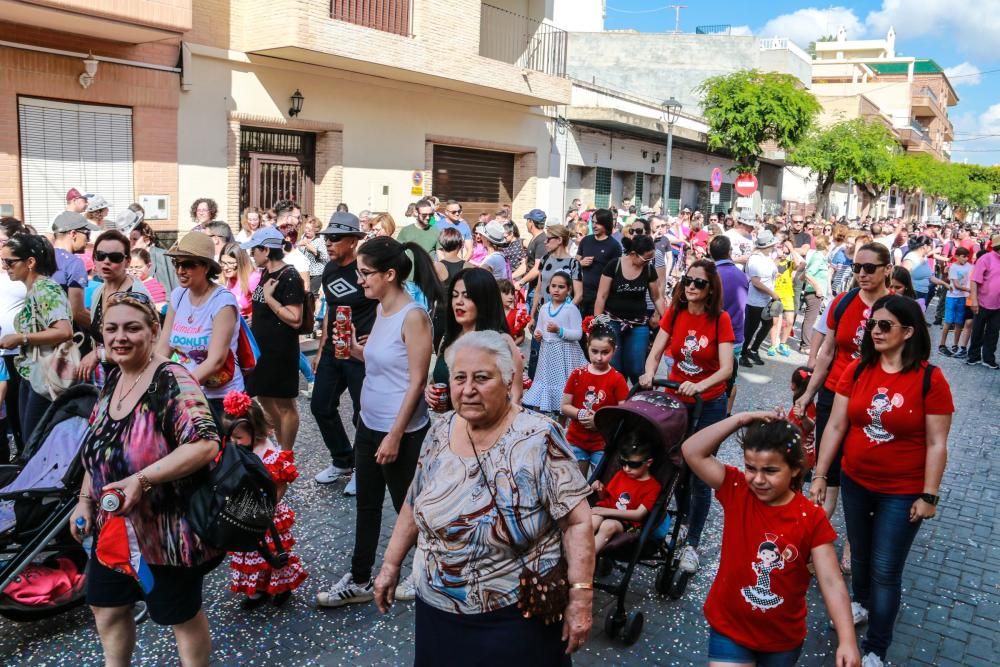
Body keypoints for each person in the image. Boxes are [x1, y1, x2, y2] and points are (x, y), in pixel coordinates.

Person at [372, 331, 594, 664]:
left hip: (514, 614)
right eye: (460, 378)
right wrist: (390, 565)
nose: (468, 389)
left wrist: (581, 598)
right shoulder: (441, 430)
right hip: (437, 611)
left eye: (482, 378)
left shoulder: (539, 437)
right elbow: (414, 499)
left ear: (508, 381)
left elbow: (577, 522)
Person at [68, 291, 221, 665]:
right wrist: (84, 501)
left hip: (166, 531)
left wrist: (142, 480)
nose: (120, 337)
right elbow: (99, 449)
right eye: (111, 328)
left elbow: (205, 444)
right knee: (107, 607)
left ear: (153, 331)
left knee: (179, 617)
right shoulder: (114, 379)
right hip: (114, 530)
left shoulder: (171, 380)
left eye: (132, 328)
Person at [811, 295, 952, 667]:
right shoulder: (857, 369)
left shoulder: (929, 379)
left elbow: (938, 442)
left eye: (885, 325)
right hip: (857, 481)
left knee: (886, 569)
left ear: (908, 331)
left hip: (902, 491)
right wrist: (821, 473)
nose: (875, 330)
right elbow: (837, 425)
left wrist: (929, 495)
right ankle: (859, 603)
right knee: (858, 554)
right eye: (874, 324)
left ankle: (876, 647)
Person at [317, 236, 439, 607]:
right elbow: (387, 365)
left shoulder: (413, 316)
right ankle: (359, 578)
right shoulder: (381, 311)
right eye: (359, 272)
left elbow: (418, 381)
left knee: (410, 507)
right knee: (367, 505)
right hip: (369, 425)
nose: (359, 281)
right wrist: (357, 350)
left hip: (400, 431)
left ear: (390, 274)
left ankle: (428, 572)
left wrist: (396, 435)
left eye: (366, 273)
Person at [682, 411, 860, 667]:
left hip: (782, 639)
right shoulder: (736, 489)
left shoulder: (811, 517)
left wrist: (847, 639)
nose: (758, 479)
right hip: (730, 627)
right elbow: (692, 451)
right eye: (750, 468)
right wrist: (743, 419)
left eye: (770, 470)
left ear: (796, 469)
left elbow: (831, 581)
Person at [793, 243, 893, 571]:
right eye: (857, 267)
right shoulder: (842, 301)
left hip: (872, 404)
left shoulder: (898, 308)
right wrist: (808, 393)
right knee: (827, 470)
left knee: (860, 475)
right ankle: (813, 542)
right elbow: (826, 353)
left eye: (870, 268)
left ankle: (853, 544)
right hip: (834, 394)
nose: (862, 274)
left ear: (886, 269)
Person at [640, 258, 734, 575]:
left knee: (698, 474)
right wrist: (649, 372)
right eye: (688, 281)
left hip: (709, 403)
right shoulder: (676, 312)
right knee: (676, 465)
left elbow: (726, 368)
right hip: (678, 399)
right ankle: (680, 522)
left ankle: (692, 543)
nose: (691, 287)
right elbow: (656, 350)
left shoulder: (720, 320)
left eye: (699, 283)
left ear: (710, 290)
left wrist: (700, 385)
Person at [223, 391, 307, 608]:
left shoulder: (269, 454)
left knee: (272, 551)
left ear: (255, 430)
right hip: (244, 511)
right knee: (249, 552)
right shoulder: (237, 449)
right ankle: (258, 589)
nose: (233, 441)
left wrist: (266, 507)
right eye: (231, 436)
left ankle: (282, 586)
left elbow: (280, 486)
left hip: (266, 514)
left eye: (238, 437)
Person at [311, 212, 376, 488]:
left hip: (360, 351)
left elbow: (386, 302)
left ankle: (364, 469)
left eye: (335, 238)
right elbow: (331, 310)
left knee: (362, 412)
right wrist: (320, 347)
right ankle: (342, 460)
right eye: (327, 238)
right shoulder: (328, 270)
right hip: (333, 349)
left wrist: (376, 336)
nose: (328, 243)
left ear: (353, 241)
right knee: (320, 405)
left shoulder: (366, 269)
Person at [156, 232, 244, 424]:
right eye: (177, 264)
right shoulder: (178, 295)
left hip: (221, 397)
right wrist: (151, 378)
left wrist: (179, 388)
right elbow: (163, 347)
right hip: (187, 393)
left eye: (188, 264)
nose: (180, 270)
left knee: (223, 452)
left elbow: (216, 360)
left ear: (205, 267)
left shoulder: (222, 302)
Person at [0, 235, 73, 440]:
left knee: (35, 441)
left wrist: (20, 338)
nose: (5, 267)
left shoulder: (46, 289)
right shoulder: (34, 289)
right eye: (3, 261)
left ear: (30, 262)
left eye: (10, 262)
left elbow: (64, 331)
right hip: (33, 374)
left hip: (46, 376)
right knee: (29, 439)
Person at [242, 227, 305, 450]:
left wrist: (269, 299)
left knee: (285, 403)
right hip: (262, 348)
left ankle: (286, 454)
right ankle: (280, 446)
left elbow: (295, 318)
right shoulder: (267, 273)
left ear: (266, 250)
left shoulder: (289, 276)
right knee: (264, 397)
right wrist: (253, 318)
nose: (252, 254)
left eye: (254, 250)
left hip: (280, 350)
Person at [425, 268, 524, 411]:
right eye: (454, 295)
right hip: (450, 426)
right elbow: (438, 379)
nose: (458, 302)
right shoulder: (448, 337)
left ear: (484, 300)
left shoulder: (503, 341)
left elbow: (515, 394)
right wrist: (430, 390)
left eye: (467, 296)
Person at [77, 231, 152, 381]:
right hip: (104, 378)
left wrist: (99, 354)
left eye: (115, 257)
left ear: (127, 261)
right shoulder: (99, 291)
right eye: (100, 255)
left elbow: (146, 346)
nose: (106, 261)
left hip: (132, 378)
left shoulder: (136, 295)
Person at [560, 319, 628, 477]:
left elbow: (623, 412)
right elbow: (565, 406)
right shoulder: (577, 374)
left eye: (605, 352)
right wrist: (581, 414)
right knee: (577, 484)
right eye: (595, 351)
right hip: (576, 440)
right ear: (587, 348)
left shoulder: (617, 379)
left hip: (603, 443)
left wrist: (600, 421)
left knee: (600, 486)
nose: (599, 357)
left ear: (614, 350)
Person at [594, 234, 660, 384]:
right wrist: (597, 322)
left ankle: (638, 401)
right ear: (633, 254)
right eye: (646, 259)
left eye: (651, 259)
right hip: (612, 321)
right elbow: (601, 296)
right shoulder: (614, 265)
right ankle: (618, 401)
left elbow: (657, 298)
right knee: (615, 367)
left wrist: (668, 320)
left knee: (637, 368)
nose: (649, 262)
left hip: (639, 323)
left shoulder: (649, 270)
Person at [523, 272, 585, 414]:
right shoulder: (545, 308)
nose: (556, 290)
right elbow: (540, 328)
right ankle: (539, 417)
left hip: (565, 354)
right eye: (553, 286)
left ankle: (563, 421)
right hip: (547, 353)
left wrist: (560, 330)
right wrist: (538, 334)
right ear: (549, 287)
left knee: (564, 385)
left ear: (569, 290)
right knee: (544, 382)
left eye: (561, 287)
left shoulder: (571, 309)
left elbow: (578, 334)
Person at [528, 224, 582, 378]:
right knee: (536, 353)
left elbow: (578, 295)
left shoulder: (573, 263)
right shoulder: (545, 259)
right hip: (543, 313)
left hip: (562, 318)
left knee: (557, 359)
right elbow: (539, 289)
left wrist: (565, 312)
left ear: (559, 240)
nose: (545, 242)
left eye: (548, 239)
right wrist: (532, 315)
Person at [590, 435, 660, 553]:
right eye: (623, 462)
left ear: (649, 462)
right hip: (605, 509)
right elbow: (607, 497)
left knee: (608, 526)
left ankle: (585, 559)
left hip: (625, 521)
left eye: (633, 464)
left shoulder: (653, 486)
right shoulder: (621, 474)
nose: (627, 468)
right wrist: (600, 490)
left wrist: (603, 511)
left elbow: (638, 515)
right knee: (592, 522)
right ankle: (571, 553)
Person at [709, 236, 748, 417]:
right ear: (729, 251)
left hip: (713, 334)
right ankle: (727, 413)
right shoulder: (741, 275)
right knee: (731, 376)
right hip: (735, 335)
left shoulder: (710, 274)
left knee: (711, 374)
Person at [0, 218, 27, 454]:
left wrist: (22, 338)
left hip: (18, 352)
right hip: (1, 353)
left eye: (4, 242)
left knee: (20, 409)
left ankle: (24, 453)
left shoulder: (23, 275)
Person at [739, 230, 780, 367]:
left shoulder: (767, 257)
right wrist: (772, 293)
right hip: (755, 300)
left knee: (768, 324)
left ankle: (754, 350)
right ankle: (743, 353)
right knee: (751, 328)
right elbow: (756, 282)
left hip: (766, 299)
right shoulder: (756, 259)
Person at [50, 211, 94, 333]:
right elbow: (77, 312)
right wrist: (103, 330)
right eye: (87, 233)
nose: (88, 240)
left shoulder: (38, 259)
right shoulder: (74, 263)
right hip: (65, 339)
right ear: (73, 233)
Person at [576, 209, 622, 317]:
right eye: (593, 222)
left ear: (606, 224)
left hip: (601, 299)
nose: (594, 225)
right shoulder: (586, 240)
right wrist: (581, 263)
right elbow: (576, 260)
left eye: (598, 223)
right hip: (581, 295)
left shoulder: (614, 246)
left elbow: (616, 273)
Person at [965, 233, 1000, 369]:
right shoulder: (986, 258)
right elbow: (974, 280)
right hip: (982, 302)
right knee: (978, 331)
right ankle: (973, 356)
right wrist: (974, 300)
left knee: (994, 332)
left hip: (998, 304)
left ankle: (988, 358)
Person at [938, 247, 972, 356]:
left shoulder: (969, 266)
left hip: (962, 298)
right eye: (963, 256)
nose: (966, 259)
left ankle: (955, 345)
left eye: (967, 256)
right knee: (948, 322)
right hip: (952, 297)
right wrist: (970, 290)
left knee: (959, 323)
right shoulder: (953, 267)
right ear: (957, 256)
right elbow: (956, 286)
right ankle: (942, 345)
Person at [801, 235, 831, 356]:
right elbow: (808, 273)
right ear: (827, 245)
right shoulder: (818, 257)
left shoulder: (820, 257)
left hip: (814, 292)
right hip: (814, 293)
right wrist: (818, 288)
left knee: (810, 318)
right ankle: (806, 345)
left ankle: (804, 344)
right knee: (810, 319)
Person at [129, 222, 179, 294]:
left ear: (147, 240)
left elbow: (174, 283)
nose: (131, 243)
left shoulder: (162, 256)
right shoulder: (133, 258)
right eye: (130, 239)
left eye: (135, 239)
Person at [219, 242, 259, 320]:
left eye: (230, 263)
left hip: (247, 329)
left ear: (241, 262)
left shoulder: (253, 279)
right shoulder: (225, 278)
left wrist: (252, 317)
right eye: (223, 263)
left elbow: (265, 307)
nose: (225, 268)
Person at [788, 366, 816, 471]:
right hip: (799, 453)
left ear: (793, 385)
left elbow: (810, 427)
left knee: (795, 485)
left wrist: (804, 418)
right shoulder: (802, 403)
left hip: (801, 455)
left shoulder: (808, 407)